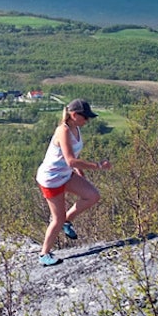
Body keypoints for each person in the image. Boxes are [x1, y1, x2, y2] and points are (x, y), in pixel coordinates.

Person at [35, 99, 110, 266]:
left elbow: (71, 158)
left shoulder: (76, 128)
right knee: (57, 219)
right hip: (51, 179)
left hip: (66, 174)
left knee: (92, 196)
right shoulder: (63, 130)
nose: (87, 120)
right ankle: (44, 254)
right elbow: (70, 160)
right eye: (85, 117)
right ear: (74, 115)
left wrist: (79, 171)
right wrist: (98, 166)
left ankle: (67, 221)